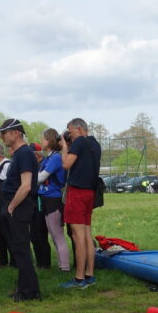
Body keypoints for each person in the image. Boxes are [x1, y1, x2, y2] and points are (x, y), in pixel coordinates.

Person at [0, 119, 41, 301]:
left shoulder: (24, 154)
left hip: (19, 206)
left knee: (21, 250)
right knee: (18, 250)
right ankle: (24, 288)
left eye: (4, 133)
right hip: (14, 205)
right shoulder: (20, 154)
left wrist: (12, 206)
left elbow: (26, 186)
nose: (1, 137)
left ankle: (30, 292)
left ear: (15, 133)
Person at [60, 118, 101, 289]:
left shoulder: (79, 142)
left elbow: (66, 164)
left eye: (70, 132)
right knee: (86, 235)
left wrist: (64, 147)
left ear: (79, 129)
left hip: (77, 192)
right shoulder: (95, 144)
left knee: (78, 237)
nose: (70, 135)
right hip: (90, 192)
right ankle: (89, 274)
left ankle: (79, 278)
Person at [38, 128, 70, 272]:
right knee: (53, 234)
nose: (41, 141)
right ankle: (61, 265)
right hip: (46, 199)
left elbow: (41, 177)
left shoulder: (55, 157)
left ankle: (65, 267)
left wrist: (25, 180)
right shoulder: (48, 157)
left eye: (44, 139)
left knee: (57, 235)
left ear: (50, 140)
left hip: (53, 199)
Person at [28, 141, 51, 269]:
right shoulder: (34, 166)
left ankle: (45, 264)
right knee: (33, 236)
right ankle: (39, 263)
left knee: (41, 235)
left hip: (40, 203)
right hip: (32, 204)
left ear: (36, 155)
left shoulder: (44, 165)